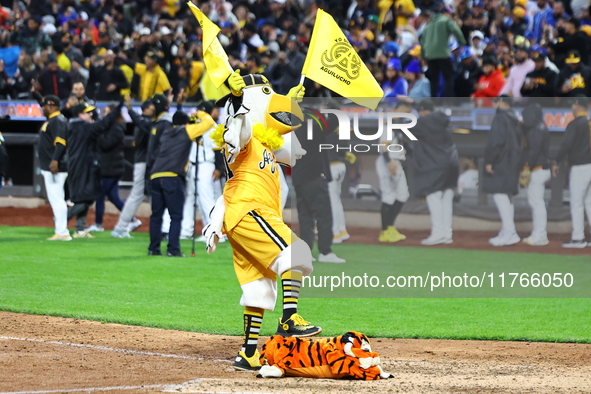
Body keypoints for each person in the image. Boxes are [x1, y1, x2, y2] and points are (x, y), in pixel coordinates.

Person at [203, 71, 321, 372]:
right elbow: (237, 134)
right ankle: (289, 318)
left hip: (247, 215)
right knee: (297, 252)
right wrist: (240, 101)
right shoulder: (237, 132)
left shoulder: (264, 141)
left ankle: (249, 352)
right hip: (249, 211)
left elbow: (294, 153)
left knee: (260, 286)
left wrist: (291, 107)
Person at [148, 109, 215, 257]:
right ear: (186, 123)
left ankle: (153, 249)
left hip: (155, 175)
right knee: (176, 216)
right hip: (172, 176)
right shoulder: (187, 131)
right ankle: (173, 249)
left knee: (156, 216)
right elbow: (209, 123)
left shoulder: (166, 133)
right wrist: (198, 113)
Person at [293, 108, 346, 263]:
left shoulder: (292, 130)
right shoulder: (312, 129)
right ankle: (325, 251)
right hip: (314, 177)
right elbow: (333, 122)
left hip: (299, 178)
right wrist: (333, 108)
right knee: (324, 215)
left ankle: (305, 253)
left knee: (305, 217)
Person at [66, 102, 123, 238]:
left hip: (80, 166)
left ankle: (80, 229)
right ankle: (62, 220)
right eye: (87, 112)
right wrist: (119, 108)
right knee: (87, 198)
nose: (91, 114)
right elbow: (103, 124)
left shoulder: (76, 126)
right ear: (80, 114)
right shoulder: (82, 127)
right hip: (82, 166)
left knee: (84, 197)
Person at [412, 100, 459, 245]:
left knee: (434, 197)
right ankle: (446, 234)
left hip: (436, 166)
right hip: (451, 165)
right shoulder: (442, 119)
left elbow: (407, 128)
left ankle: (438, 233)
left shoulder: (426, 122)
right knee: (446, 199)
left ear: (423, 111)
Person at [112, 98, 155, 238]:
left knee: (142, 194)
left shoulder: (145, 121)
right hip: (143, 163)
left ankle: (121, 226)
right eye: (152, 106)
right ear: (146, 109)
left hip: (143, 162)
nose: (155, 108)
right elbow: (143, 123)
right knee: (137, 194)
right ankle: (121, 227)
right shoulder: (144, 121)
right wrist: (130, 110)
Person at [483, 96, 522, 247]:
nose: (494, 104)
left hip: (502, 161)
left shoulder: (500, 117)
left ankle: (510, 232)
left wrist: (490, 161)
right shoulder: (516, 118)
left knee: (500, 195)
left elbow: (496, 142)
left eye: (496, 101)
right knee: (506, 196)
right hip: (513, 161)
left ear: (501, 102)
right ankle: (508, 231)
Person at [553, 96, 591, 248]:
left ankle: (578, 238)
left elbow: (566, 145)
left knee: (576, 202)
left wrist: (556, 161)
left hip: (580, 166)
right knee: (589, 202)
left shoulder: (576, 124)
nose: (572, 108)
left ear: (577, 106)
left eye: (573, 105)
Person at [35, 94, 70, 241]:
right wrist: (34, 94)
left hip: (55, 167)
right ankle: (61, 231)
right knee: (57, 198)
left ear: (51, 106)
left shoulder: (58, 120)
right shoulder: (53, 120)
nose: (42, 109)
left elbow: (61, 142)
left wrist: (55, 160)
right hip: (51, 165)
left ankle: (62, 232)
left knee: (57, 199)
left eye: (44, 106)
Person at [87, 105, 127, 232]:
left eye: (107, 113)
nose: (105, 115)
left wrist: (98, 132)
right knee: (113, 198)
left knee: (100, 195)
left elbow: (105, 145)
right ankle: (132, 219)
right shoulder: (111, 128)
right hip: (109, 168)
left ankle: (98, 224)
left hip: (111, 169)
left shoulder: (117, 129)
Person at [376, 101, 411, 243]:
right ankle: (385, 231)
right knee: (389, 196)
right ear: (401, 108)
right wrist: (389, 162)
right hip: (388, 161)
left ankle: (390, 227)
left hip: (395, 161)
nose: (409, 113)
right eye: (408, 110)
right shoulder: (389, 124)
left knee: (402, 195)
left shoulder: (397, 125)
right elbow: (384, 146)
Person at [521, 102, 551, 246]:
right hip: (541, 168)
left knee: (537, 203)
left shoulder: (536, 129)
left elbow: (534, 150)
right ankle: (538, 234)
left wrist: (527, 166)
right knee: (536, 202)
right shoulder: (541, 126)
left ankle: (540, 235)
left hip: (538, 168)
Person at [420, 3, 467, 97]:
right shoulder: (446, 21)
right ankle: (447, 102)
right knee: (448, 78)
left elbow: (422, 41)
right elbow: (456, 30)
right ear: (445, 13)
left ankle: (433, 103)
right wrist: (463, 43)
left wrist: (423, 56)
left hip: (430, 55)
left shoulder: (428, 25)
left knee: (434, 80)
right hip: (443, 54)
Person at [325, 129, 350, 245]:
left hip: (331, 168)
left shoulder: (325, 131)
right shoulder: (342, 131)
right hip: (340, 166)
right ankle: (342, 230)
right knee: (336, 199)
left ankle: (334, 233)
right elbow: (344, 151)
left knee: (331, 201)